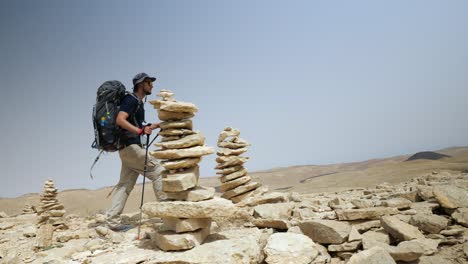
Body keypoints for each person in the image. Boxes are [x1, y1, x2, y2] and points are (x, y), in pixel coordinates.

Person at [106, 72, 166, 231]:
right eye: (149, 83)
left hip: (127, 149)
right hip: (131, 147)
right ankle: (168, 214)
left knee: (124, 185)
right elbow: (120, 119)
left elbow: (138, 125)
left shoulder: (138, 102)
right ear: (141, 84)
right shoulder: (131, 100)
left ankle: (112, 222)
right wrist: (139, 132)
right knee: (158, 171)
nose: (152, 85)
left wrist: (156, 125)